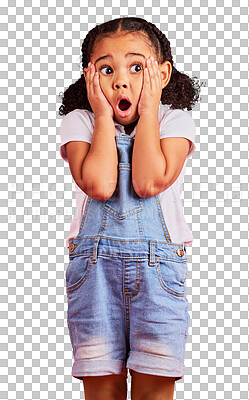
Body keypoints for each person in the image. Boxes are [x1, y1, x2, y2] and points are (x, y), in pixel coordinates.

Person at [58, 16, 202, 400]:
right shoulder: (81, 123)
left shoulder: (174, 121)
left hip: (159, 276)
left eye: (137, 67)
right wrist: (104, 116)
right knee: (102, 392)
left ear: (163, 73)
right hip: (95, 274)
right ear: (89, 75)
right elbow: (100, 185)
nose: (121, 80)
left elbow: (148, 181)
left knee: (154, 389)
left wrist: (151, 109)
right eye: (106, 69)